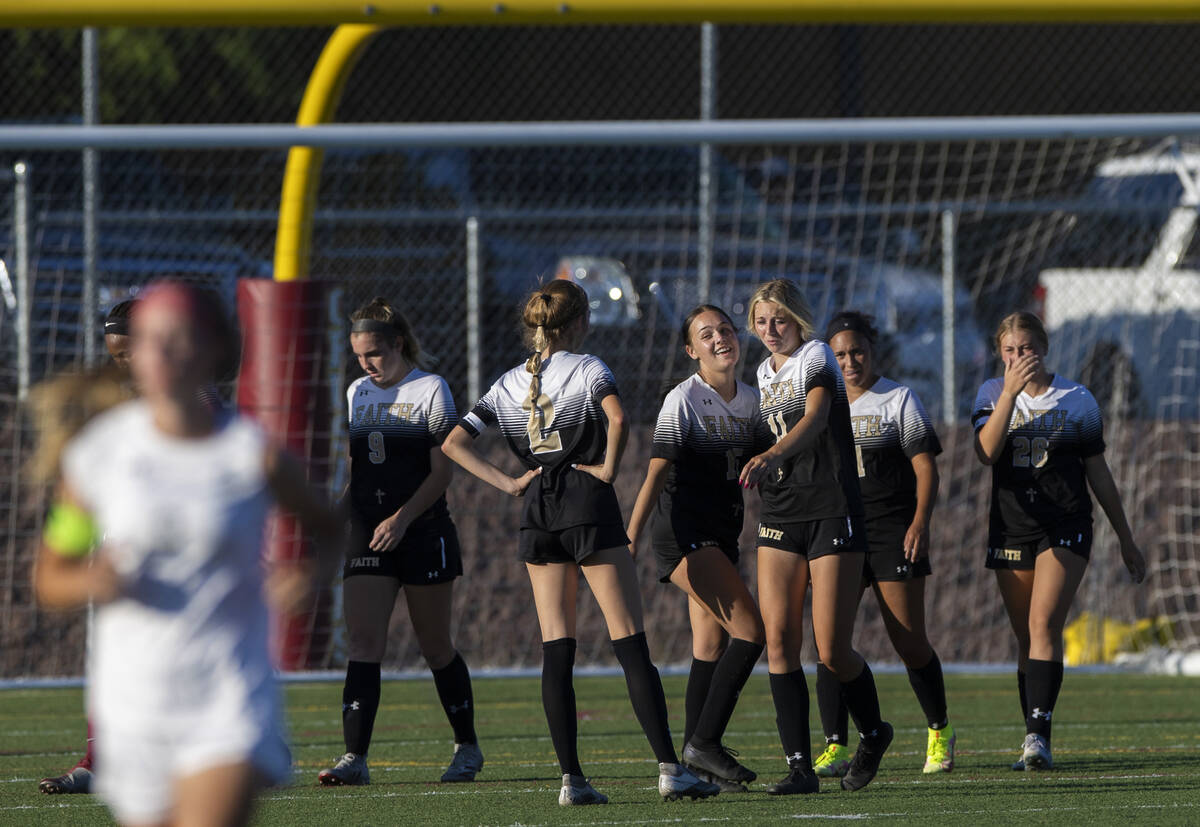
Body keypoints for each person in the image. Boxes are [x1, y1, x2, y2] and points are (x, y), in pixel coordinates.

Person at [31, 281, 341, 826]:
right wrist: (90, 581)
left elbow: (331, 527)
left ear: (215, 348)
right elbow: (50, 578)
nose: (161, 352)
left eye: (180, 337)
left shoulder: (252, 452)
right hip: (137, 700)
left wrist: (309, 574)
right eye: (150, 340)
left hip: (227, 694)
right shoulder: (99, 453)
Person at [442, 279, 719, 805]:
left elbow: (454, 442)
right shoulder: (590, 367)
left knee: (557, 648)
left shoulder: (506, 382)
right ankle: (670, 769)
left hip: (537, 508)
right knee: (629, 642)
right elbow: (618, 417)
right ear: (578, 322)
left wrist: (510, 483)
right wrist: (609, 470)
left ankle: (571, 780)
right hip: (586, 501)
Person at [318, 297, 482, 786]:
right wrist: (336, 516)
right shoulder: (357, 392)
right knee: (364, 642)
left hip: (422, 531)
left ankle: (467, 746)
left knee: (435, 646)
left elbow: (442, 472)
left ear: (398, 344)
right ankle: (354, 758)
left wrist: (403, 519)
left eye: (374, 353)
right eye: (358, 356)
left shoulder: (431, 388)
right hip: (368, 533)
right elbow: (360, 470)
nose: (366, 364)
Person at [972, 311, 1145, 771]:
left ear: (1044, 348)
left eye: (1027, 348)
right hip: (1012, 527)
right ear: (1000, 354)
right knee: (1025, 637)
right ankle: (1032, 733)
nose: (1019, 357)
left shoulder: (1077, 398)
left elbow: (1098, 473)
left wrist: (1126, 538)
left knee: (1044, 623)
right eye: (1010, 350)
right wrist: (1009, 394)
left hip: (1066, 523)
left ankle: (1038, 739)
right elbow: (986, 451)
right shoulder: (991, 393)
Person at [740, 279, 893, 794]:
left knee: (831, 650)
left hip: (831, 508)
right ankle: (800, 767)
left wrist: (771, 454)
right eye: (761, 321)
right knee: (779, 641)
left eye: (779, 319)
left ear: (797, 319)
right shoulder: (762, 371)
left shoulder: (816, 356)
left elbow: (817, 415)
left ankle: (874, 733)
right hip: (781, 511)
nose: (770, 330)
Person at [627, 305, 766, 792]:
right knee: (752, 633)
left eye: (725, 329)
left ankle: (693, 767)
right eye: (706, 335)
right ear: (691, 351)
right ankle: (704, 743)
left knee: (710, 647)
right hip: (684, 534)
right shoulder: (682, 399)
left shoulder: (752, 400)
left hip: (722, 535)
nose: (720, 338)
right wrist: (630, 535)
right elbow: (656, 473)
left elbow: (769, 463)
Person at [818, 311, 954, 777]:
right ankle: (835, 745)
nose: (849, 361)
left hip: (892, 532)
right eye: (839, 355)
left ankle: (939, 730)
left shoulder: (898, 398)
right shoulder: (821, 404)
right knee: (829, 641)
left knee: (909, 642)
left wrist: (920, 522)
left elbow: (925, 467)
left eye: (857, 351)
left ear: (872, 350)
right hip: (839, 534)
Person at [36, 299, 138, 796]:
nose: (122, 365)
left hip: (185, 565)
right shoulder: (107, 407)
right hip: (115, 555)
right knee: (108, 659)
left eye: (128, 354)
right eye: (115, 356)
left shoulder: (200, 408)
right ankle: (97, 761)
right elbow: (51, 574)